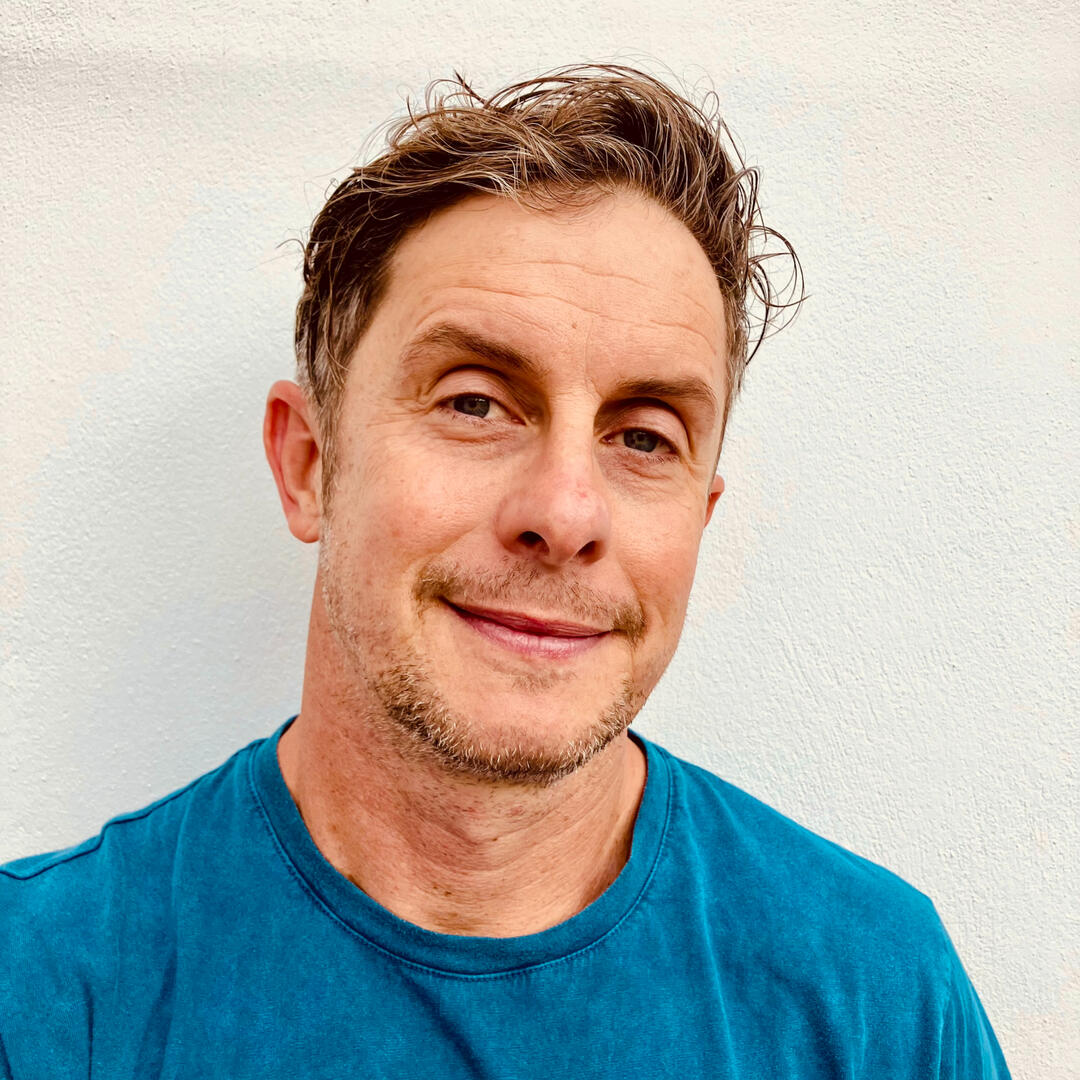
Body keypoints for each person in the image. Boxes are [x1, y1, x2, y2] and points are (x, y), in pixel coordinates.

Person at [0, 65, 1010, 1077]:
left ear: (699, 519)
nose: (565, 515)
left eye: (645, 437)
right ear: (309, 464)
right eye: (474, 403)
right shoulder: (40, 990)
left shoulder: (879, 1000)